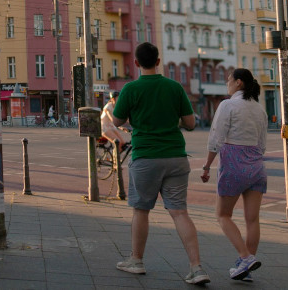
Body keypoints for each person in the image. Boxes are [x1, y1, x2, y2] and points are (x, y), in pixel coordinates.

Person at [111, 42, 208, 285]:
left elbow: (117, 119)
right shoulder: (174, 87)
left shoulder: (130, 89)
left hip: (146, 157)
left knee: (141, 210)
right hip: (176, 156)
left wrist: (132, 117)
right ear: (157, 61)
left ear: (136, 63)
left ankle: (136, 260)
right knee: (179, 212)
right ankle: (196, 268)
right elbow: (190, 123)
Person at [200, 68, 268, 281]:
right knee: (252, 219)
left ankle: (245, 257)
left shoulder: (228, 105)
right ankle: (244, 267)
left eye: (229, 80)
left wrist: (207, 165)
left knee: (222, 215)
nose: (227, 84)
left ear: (238, 82)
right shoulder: (260, 109)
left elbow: (216, 137)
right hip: (256, 165)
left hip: (233, 163)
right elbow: (262, 144)